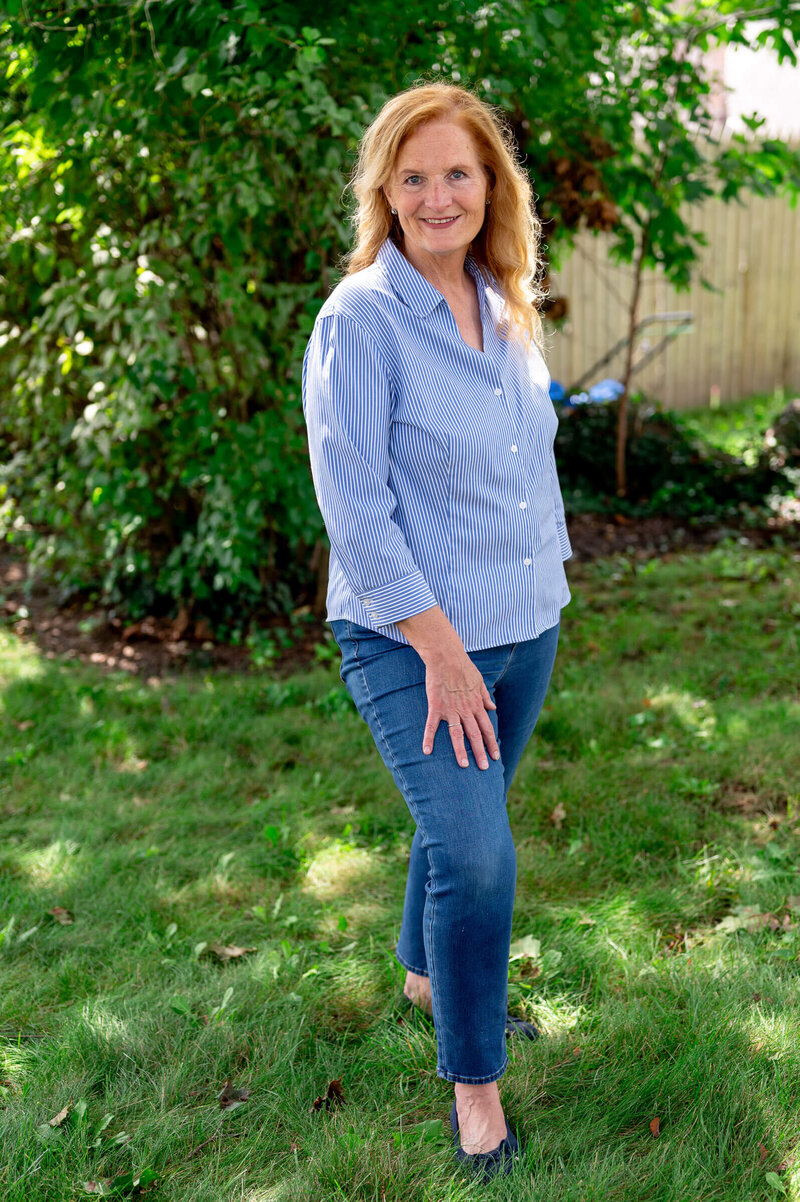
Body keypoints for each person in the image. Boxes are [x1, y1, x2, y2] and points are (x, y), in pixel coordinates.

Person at [301, 81, 572, 1181]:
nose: (436, 194)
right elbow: (353, 503)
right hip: (411, 638)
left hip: (523, 622)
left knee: (462, 817)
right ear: (384, 191)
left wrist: (549, 578)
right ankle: (473, 1085)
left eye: (457, 171)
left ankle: (422, 976)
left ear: (489, 185)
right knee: (472, 849)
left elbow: (520, 462)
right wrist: (441, 650)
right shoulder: (360, 318)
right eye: (412, 176)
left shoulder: (505, 302)